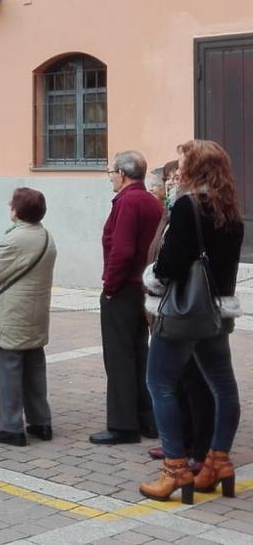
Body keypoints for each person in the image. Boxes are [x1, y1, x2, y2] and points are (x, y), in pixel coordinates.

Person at [139, 140, 244, 503]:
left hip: (183, 313)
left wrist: (151, 277)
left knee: (160, 384)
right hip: (215, 312)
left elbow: (171, 263)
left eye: (184, 163)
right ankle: (218, 461)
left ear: (197, 167)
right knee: (224, 387)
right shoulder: (229, 208)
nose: (178, 171)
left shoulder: (187, 205)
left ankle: (176, 469)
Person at [0, 188, 57, 446]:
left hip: (12, 315)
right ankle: (41, 422)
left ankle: (11, 428)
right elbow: (20, 263)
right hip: (36, 313)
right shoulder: (45, 236)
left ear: (17, 211)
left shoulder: (14, 239)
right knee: (35, 371)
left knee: (9, 370)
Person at [91, 150, 163, 445]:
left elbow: (122, 250)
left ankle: (122, 426)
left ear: (122, 173)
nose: (110, 177)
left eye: (111, 172)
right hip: (141, 288)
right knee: (139, 354)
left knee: (119, 358)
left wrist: (110, 286)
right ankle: (147, 419)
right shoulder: (150, 201)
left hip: (123, 288)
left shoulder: (128, 202)